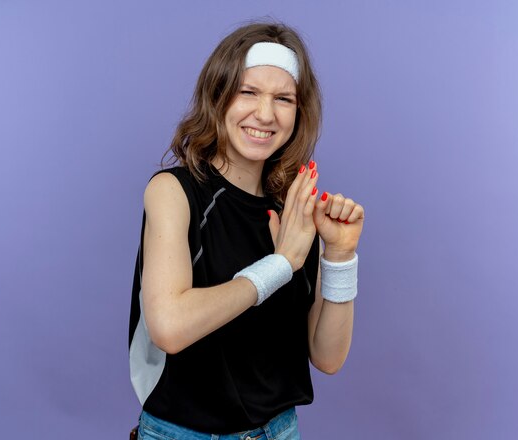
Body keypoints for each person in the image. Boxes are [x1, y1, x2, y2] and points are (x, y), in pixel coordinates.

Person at [128, 22, 365, 439]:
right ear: (217, 95)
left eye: (283, 98)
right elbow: (168, 327)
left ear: (299, 111)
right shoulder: (174, 192)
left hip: (279, 430)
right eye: (248, 92)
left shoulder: (294, 210)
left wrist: (340, 256)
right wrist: (280, 264)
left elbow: (328, 357)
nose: (265, 114)